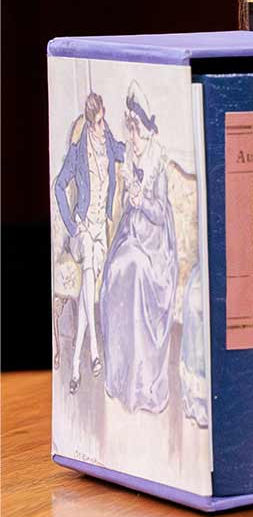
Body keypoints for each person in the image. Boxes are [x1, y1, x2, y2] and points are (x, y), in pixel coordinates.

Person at [100, 87, 177, 415]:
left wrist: (140, 200)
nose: (131, 136)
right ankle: (122, 375)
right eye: (129, 129)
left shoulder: (158, 160)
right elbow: (124, 201)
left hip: (155, 246)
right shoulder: (131, 156)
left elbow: (158, 213)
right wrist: (128, 196)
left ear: (145, 130)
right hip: (132, 235)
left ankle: (142, 382)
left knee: (134, 269)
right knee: (117, 269)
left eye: (135, 129)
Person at [52, 90, 122, 389]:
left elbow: (124, 152)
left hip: (99, 231)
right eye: (99, 123)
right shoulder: (78, 151)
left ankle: (76, 368)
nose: (103, 127)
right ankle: (94, 349)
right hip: (81, 232)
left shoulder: (108, 141)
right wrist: (73, 226)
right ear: (90, 123)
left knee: (89, 277)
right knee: (90, 256)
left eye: (104, 120)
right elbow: (59, 186)